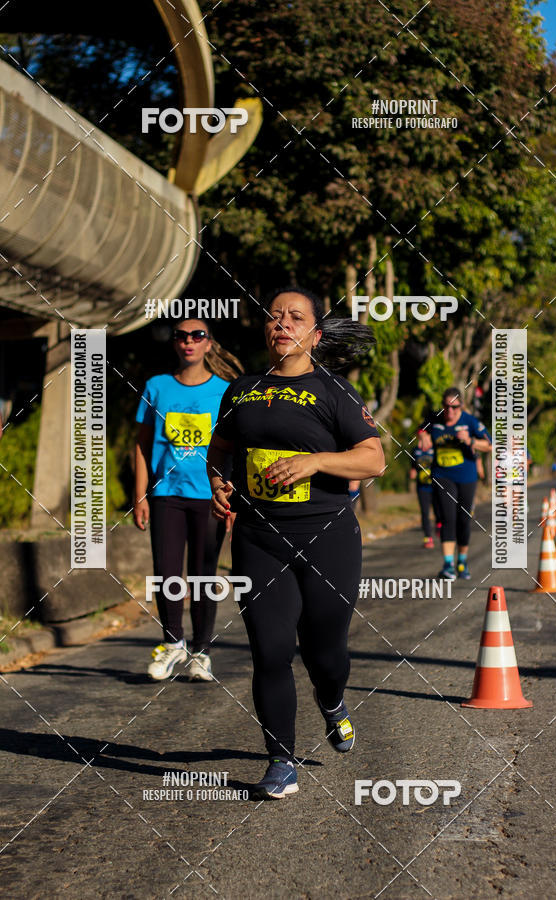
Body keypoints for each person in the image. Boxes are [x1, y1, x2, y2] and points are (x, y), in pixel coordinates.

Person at [206, 286, 385, 799]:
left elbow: (372, 459)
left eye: (294, 317)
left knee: (326, 653)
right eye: (274, 316)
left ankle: (331, 700)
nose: (281, 323)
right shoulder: (240, 389)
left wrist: (315, 461)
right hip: (261, 539)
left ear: (315, 334)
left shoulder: (335, 391)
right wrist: (219, 482)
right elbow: (219, 450)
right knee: (271, 649)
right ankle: (280, 761)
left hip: (328, 538)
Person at [134, 318, 242, 681]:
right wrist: (140, 494)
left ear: (209, 344)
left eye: (198, 336)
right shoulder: (157, 387)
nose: (189, 342)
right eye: (181, 336)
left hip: (208, 496)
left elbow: (233, 450)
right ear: (175, 344)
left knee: (202, 575)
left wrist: (231, 496)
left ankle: (201, 652)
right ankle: (173, 643)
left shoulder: (224, 391)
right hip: (165, 494)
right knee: (166, 574)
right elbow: (142, 443)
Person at [424, 387, 492, 581]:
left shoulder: (471, 422)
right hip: (442, 475)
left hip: (467, 478)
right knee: (448, 518)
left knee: (463, 520)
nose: (450, 411)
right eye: (446, 406)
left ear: (461, 406)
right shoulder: (435, 419)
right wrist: (422, 435)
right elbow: (422, 429)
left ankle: (462, 561)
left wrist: (470, 440)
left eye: (454, 407)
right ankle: (448, 565)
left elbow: (490, 445)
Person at [409, 443, 440, 548]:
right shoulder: (415, 450)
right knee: (424, 511)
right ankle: (428, 537)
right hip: (422, 487)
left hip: (436, 485)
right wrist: (413, 472)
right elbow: (413, 466)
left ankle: (439, 524)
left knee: (438, 509)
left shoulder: (435, 448)